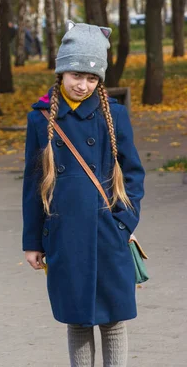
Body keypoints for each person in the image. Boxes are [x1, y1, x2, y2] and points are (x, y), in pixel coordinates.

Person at [22, 21, 145, 367]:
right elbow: (33, 184)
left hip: (108, 232)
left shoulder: (115, 115)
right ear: (61, 70)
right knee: (77, 318)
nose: (83, 84)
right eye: (77, 74)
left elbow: (133, 172)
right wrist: (33, 240)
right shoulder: (41, 118)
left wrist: (124, 221)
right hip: (64, 234)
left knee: (113, 318)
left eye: (92, 78)